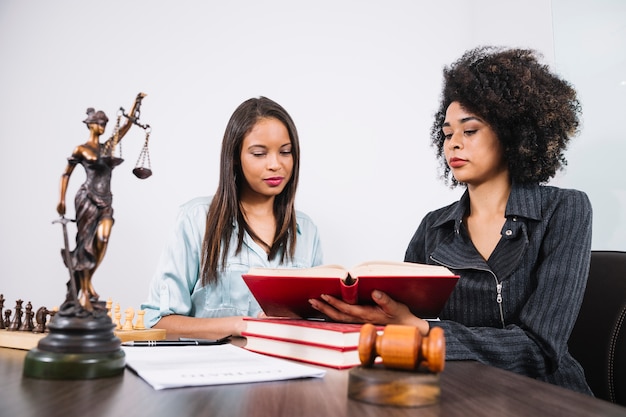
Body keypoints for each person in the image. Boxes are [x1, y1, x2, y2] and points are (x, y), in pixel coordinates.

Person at [309, 46, 593, 394]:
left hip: (549, 398)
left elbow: (540, 349)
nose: (453, 144)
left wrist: (425, 331)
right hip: (464, 392)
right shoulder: (434, 227)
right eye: (447, 134)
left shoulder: (565, 209)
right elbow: (399, 321)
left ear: (511, 134)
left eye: (469, 131)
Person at [141, 97, 323, 339]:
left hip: (289, 371)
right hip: (213, 371)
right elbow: (158, 322)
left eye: (285, 152)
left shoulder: (307, 230)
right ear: (235, 157)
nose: (275, 164)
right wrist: (241, 325)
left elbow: (317, 320)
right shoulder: (197, 219)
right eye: (259, 154)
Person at [57, 93, 147, 312]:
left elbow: (125, 127)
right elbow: (66, 173)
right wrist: (61, 200)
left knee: (102, 238)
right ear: (91, 125)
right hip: (86, 199)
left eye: (106, 124)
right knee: (85, 244)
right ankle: (85, 290)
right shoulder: (82, 150)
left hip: (106, 200)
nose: (104, 127)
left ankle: (87, 282)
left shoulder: (107, 148)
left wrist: (136, 104)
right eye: (101, 123)